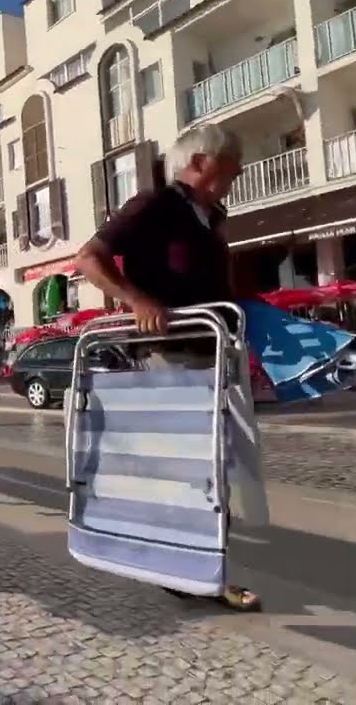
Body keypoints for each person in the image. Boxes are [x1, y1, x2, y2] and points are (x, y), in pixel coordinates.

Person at [74, 123, 260, 612]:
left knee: (218, 469)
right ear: (199, 162)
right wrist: (137, 300)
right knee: (191, 471)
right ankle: (198, 572)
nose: (238, 169)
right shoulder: (156, 206)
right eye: (231, 160)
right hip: (169, 353)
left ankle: (194, 566)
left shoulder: (209, 217)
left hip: (213, 353)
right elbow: (89, 258)